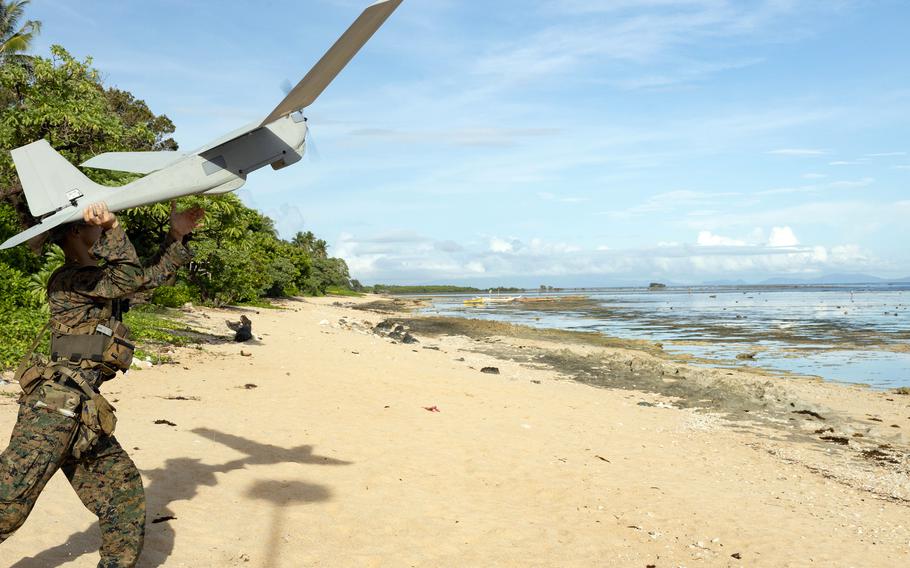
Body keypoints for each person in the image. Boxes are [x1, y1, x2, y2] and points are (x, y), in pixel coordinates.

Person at [0, 201, 203, 568]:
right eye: (93, 226)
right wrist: (113, 227)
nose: (101, 230)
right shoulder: (71, 280)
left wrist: (176, 235)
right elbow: (126, 277)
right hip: (51, 411)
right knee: (7, 508)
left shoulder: (97, 280)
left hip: (83, 413)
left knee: (123, 497)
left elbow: (145, 280)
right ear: (77, 231)